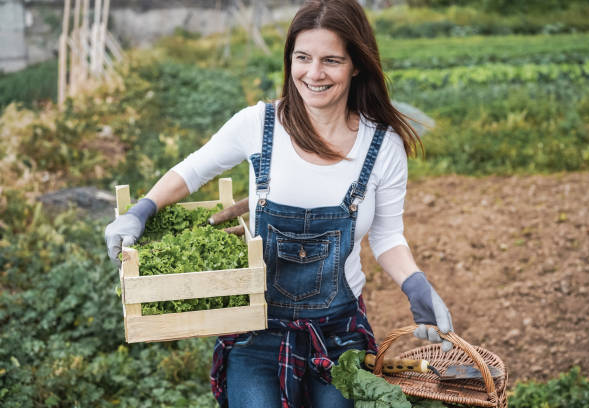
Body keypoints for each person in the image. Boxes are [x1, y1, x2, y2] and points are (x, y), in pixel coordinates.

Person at [104, 0, 453, 406]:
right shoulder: (259, 125)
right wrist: (141, 211)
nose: (314, 73)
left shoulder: (382, 146)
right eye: (302, 58)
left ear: (356, 65)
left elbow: (388, 236)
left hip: (338, 332)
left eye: (331, 60)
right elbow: (191, 171)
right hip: (256, 329)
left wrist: (416, 285)